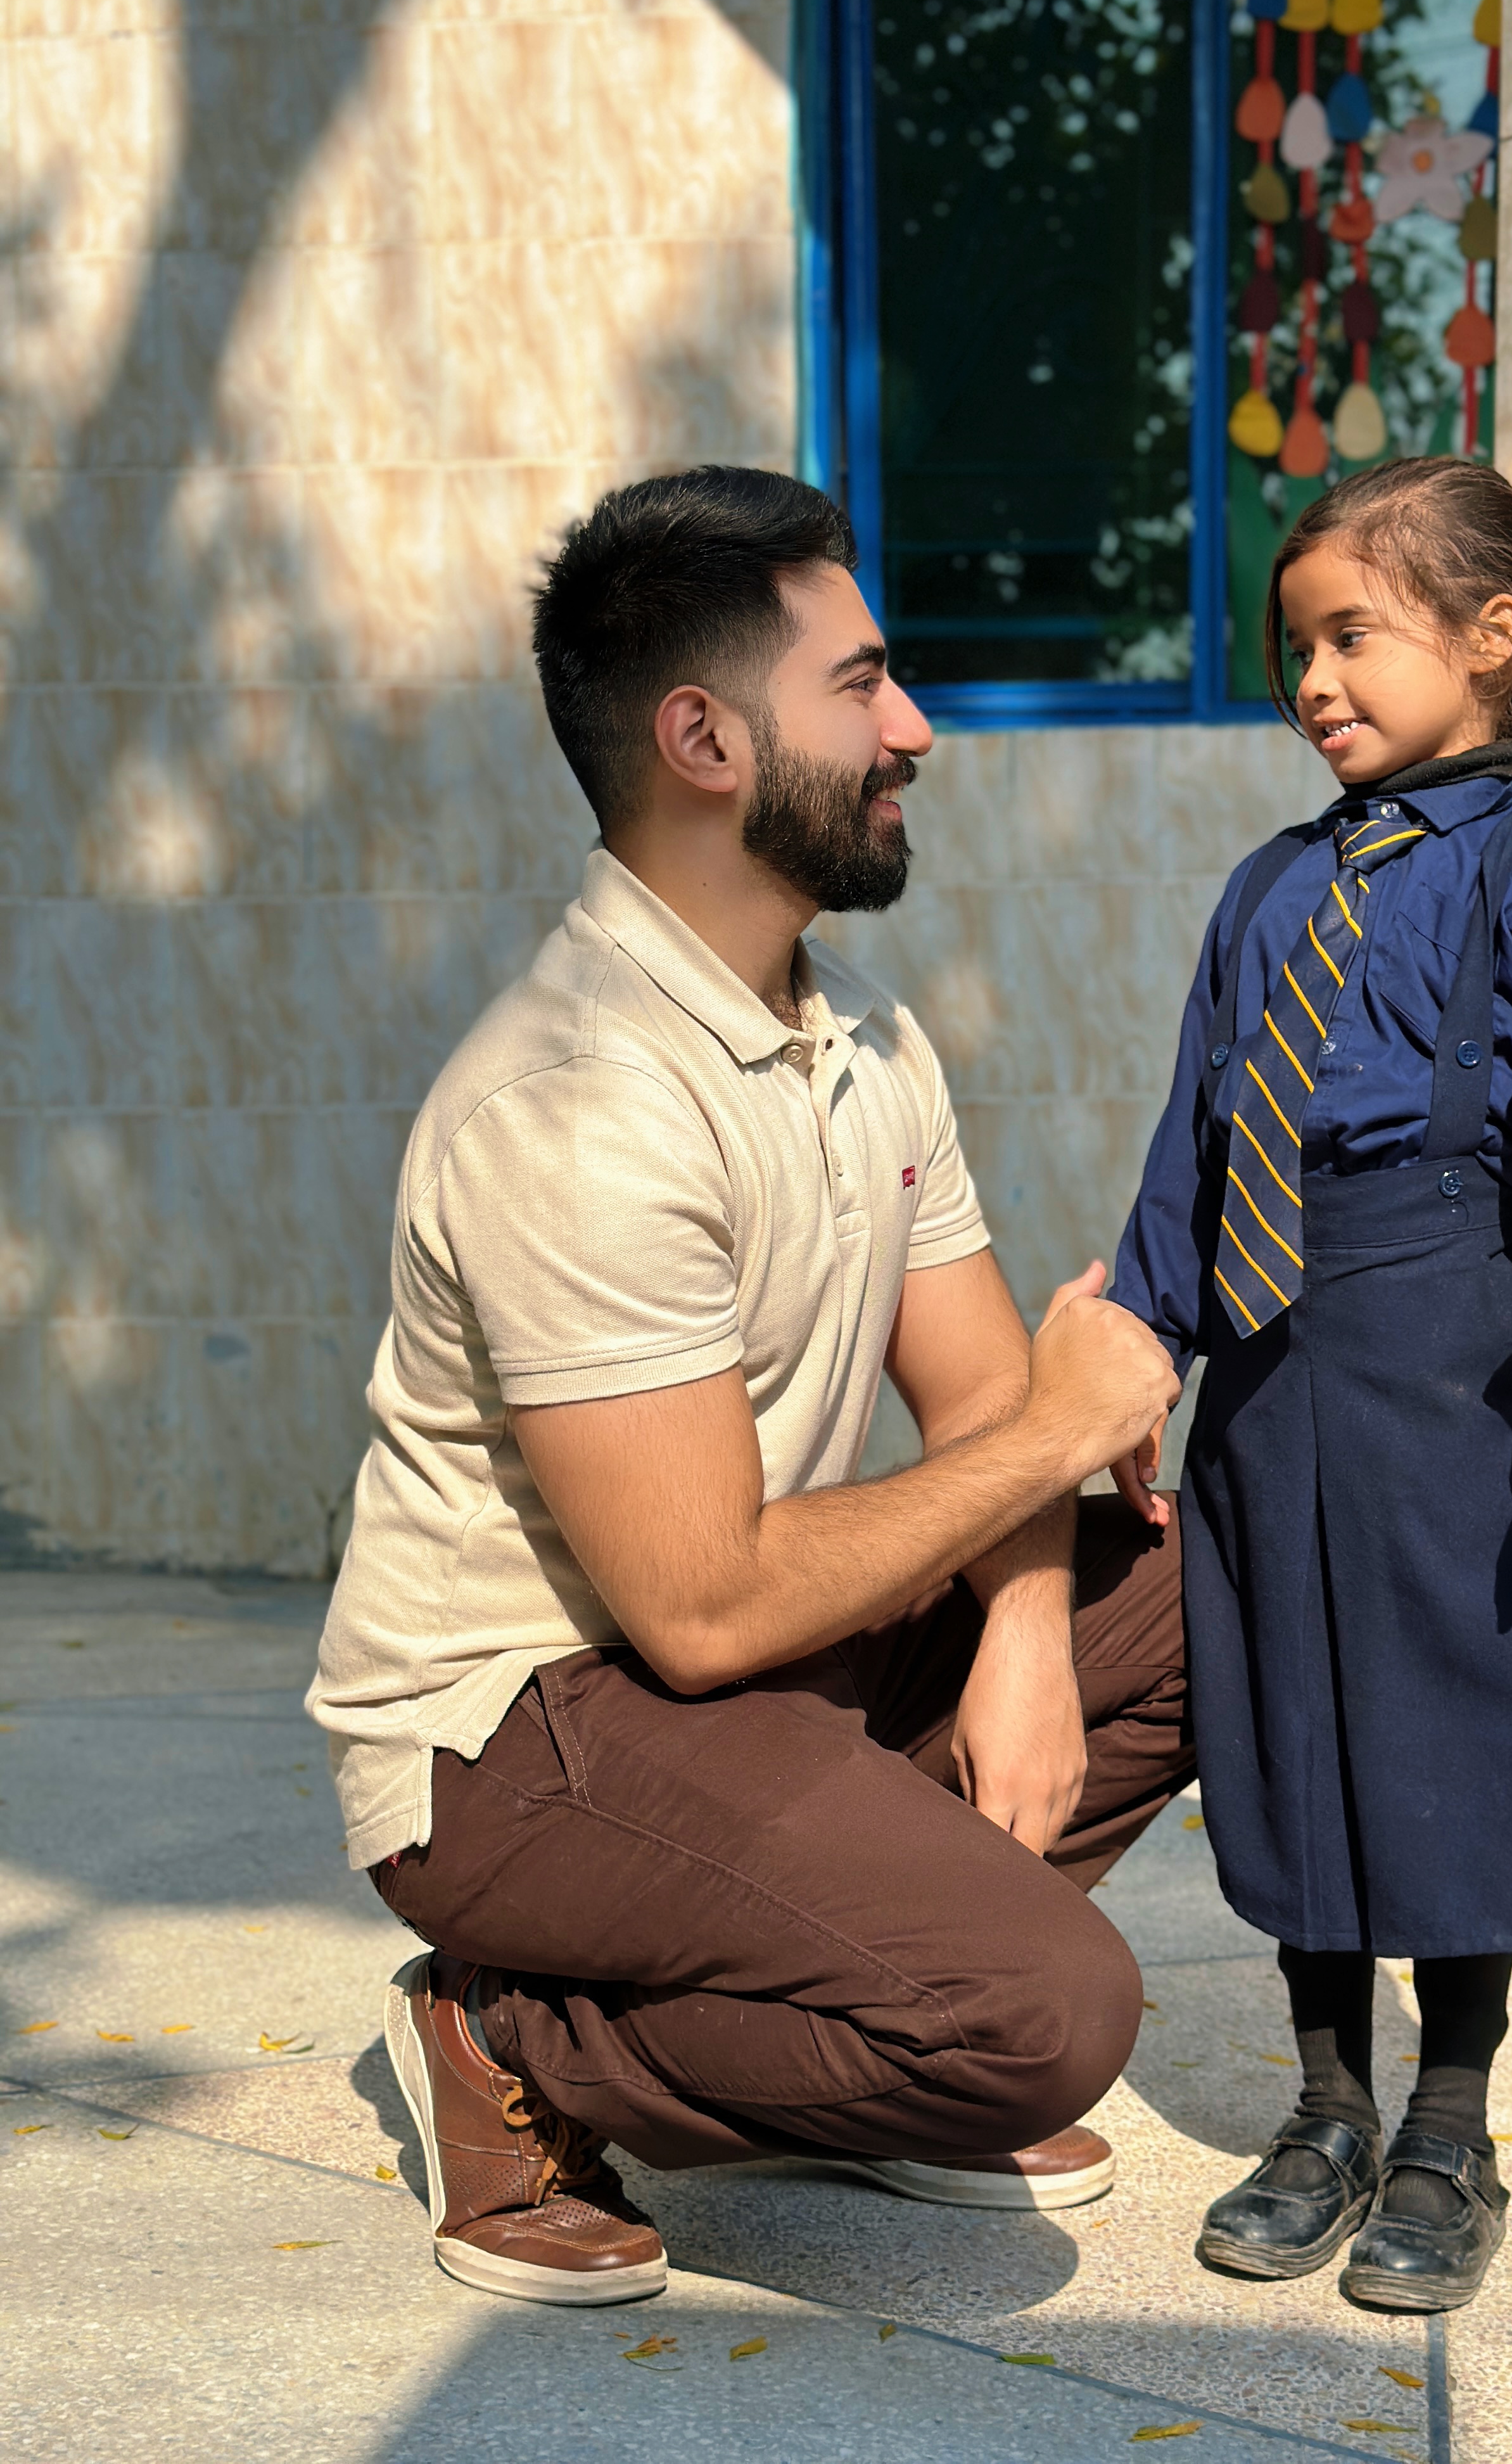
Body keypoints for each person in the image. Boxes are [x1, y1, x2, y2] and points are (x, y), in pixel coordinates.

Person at [307, 466, 1189, 2308]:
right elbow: (700, 1611)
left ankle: (841, 2018)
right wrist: (1058, 1425)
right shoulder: (580, 1101)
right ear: (703, 737)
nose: (915, 729)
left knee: (1228, 1578)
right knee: (1047, 2014)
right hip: (519, 1740)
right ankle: (511, 2052)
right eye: (861, 686)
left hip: (730, 1679)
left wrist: (1029, 1637)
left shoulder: (858, 1036)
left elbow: (979, 1395)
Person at [1108, 457, 1512, 2314]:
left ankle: (1449, 2128)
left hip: (1457, 1354)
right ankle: (1324, 2108)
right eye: (1298, 649)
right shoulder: (1266, 889)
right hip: (1273, 1375)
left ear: (1489, 637)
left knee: (1450, 1729)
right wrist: (1143, 1336)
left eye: (1351, 635)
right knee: (1288, 1716)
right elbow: (1196, 1140)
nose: (1315, 680)